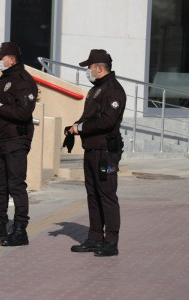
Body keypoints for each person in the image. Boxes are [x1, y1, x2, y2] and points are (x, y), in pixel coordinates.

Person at [0, 42, 38, 247]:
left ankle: (20, 228)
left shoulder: (24, 81)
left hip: (16, 139)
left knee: (16, 184)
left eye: (1, 58)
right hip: (1, 138)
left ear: (12, 59)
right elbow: (1, 108)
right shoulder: (3, 80)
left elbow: (23, 112)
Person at [67, 49, 126, 257]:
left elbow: (108, 121)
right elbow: (90, 117)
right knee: (93, 194)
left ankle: (111, 242)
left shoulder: (113, 90)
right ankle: (94, 238)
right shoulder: (96, 89)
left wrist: (81, 128)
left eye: (90, 68)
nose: (88, 71)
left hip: (106, 153)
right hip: (92, 150)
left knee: (107, 194)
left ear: (99, 68)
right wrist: (75, 126)